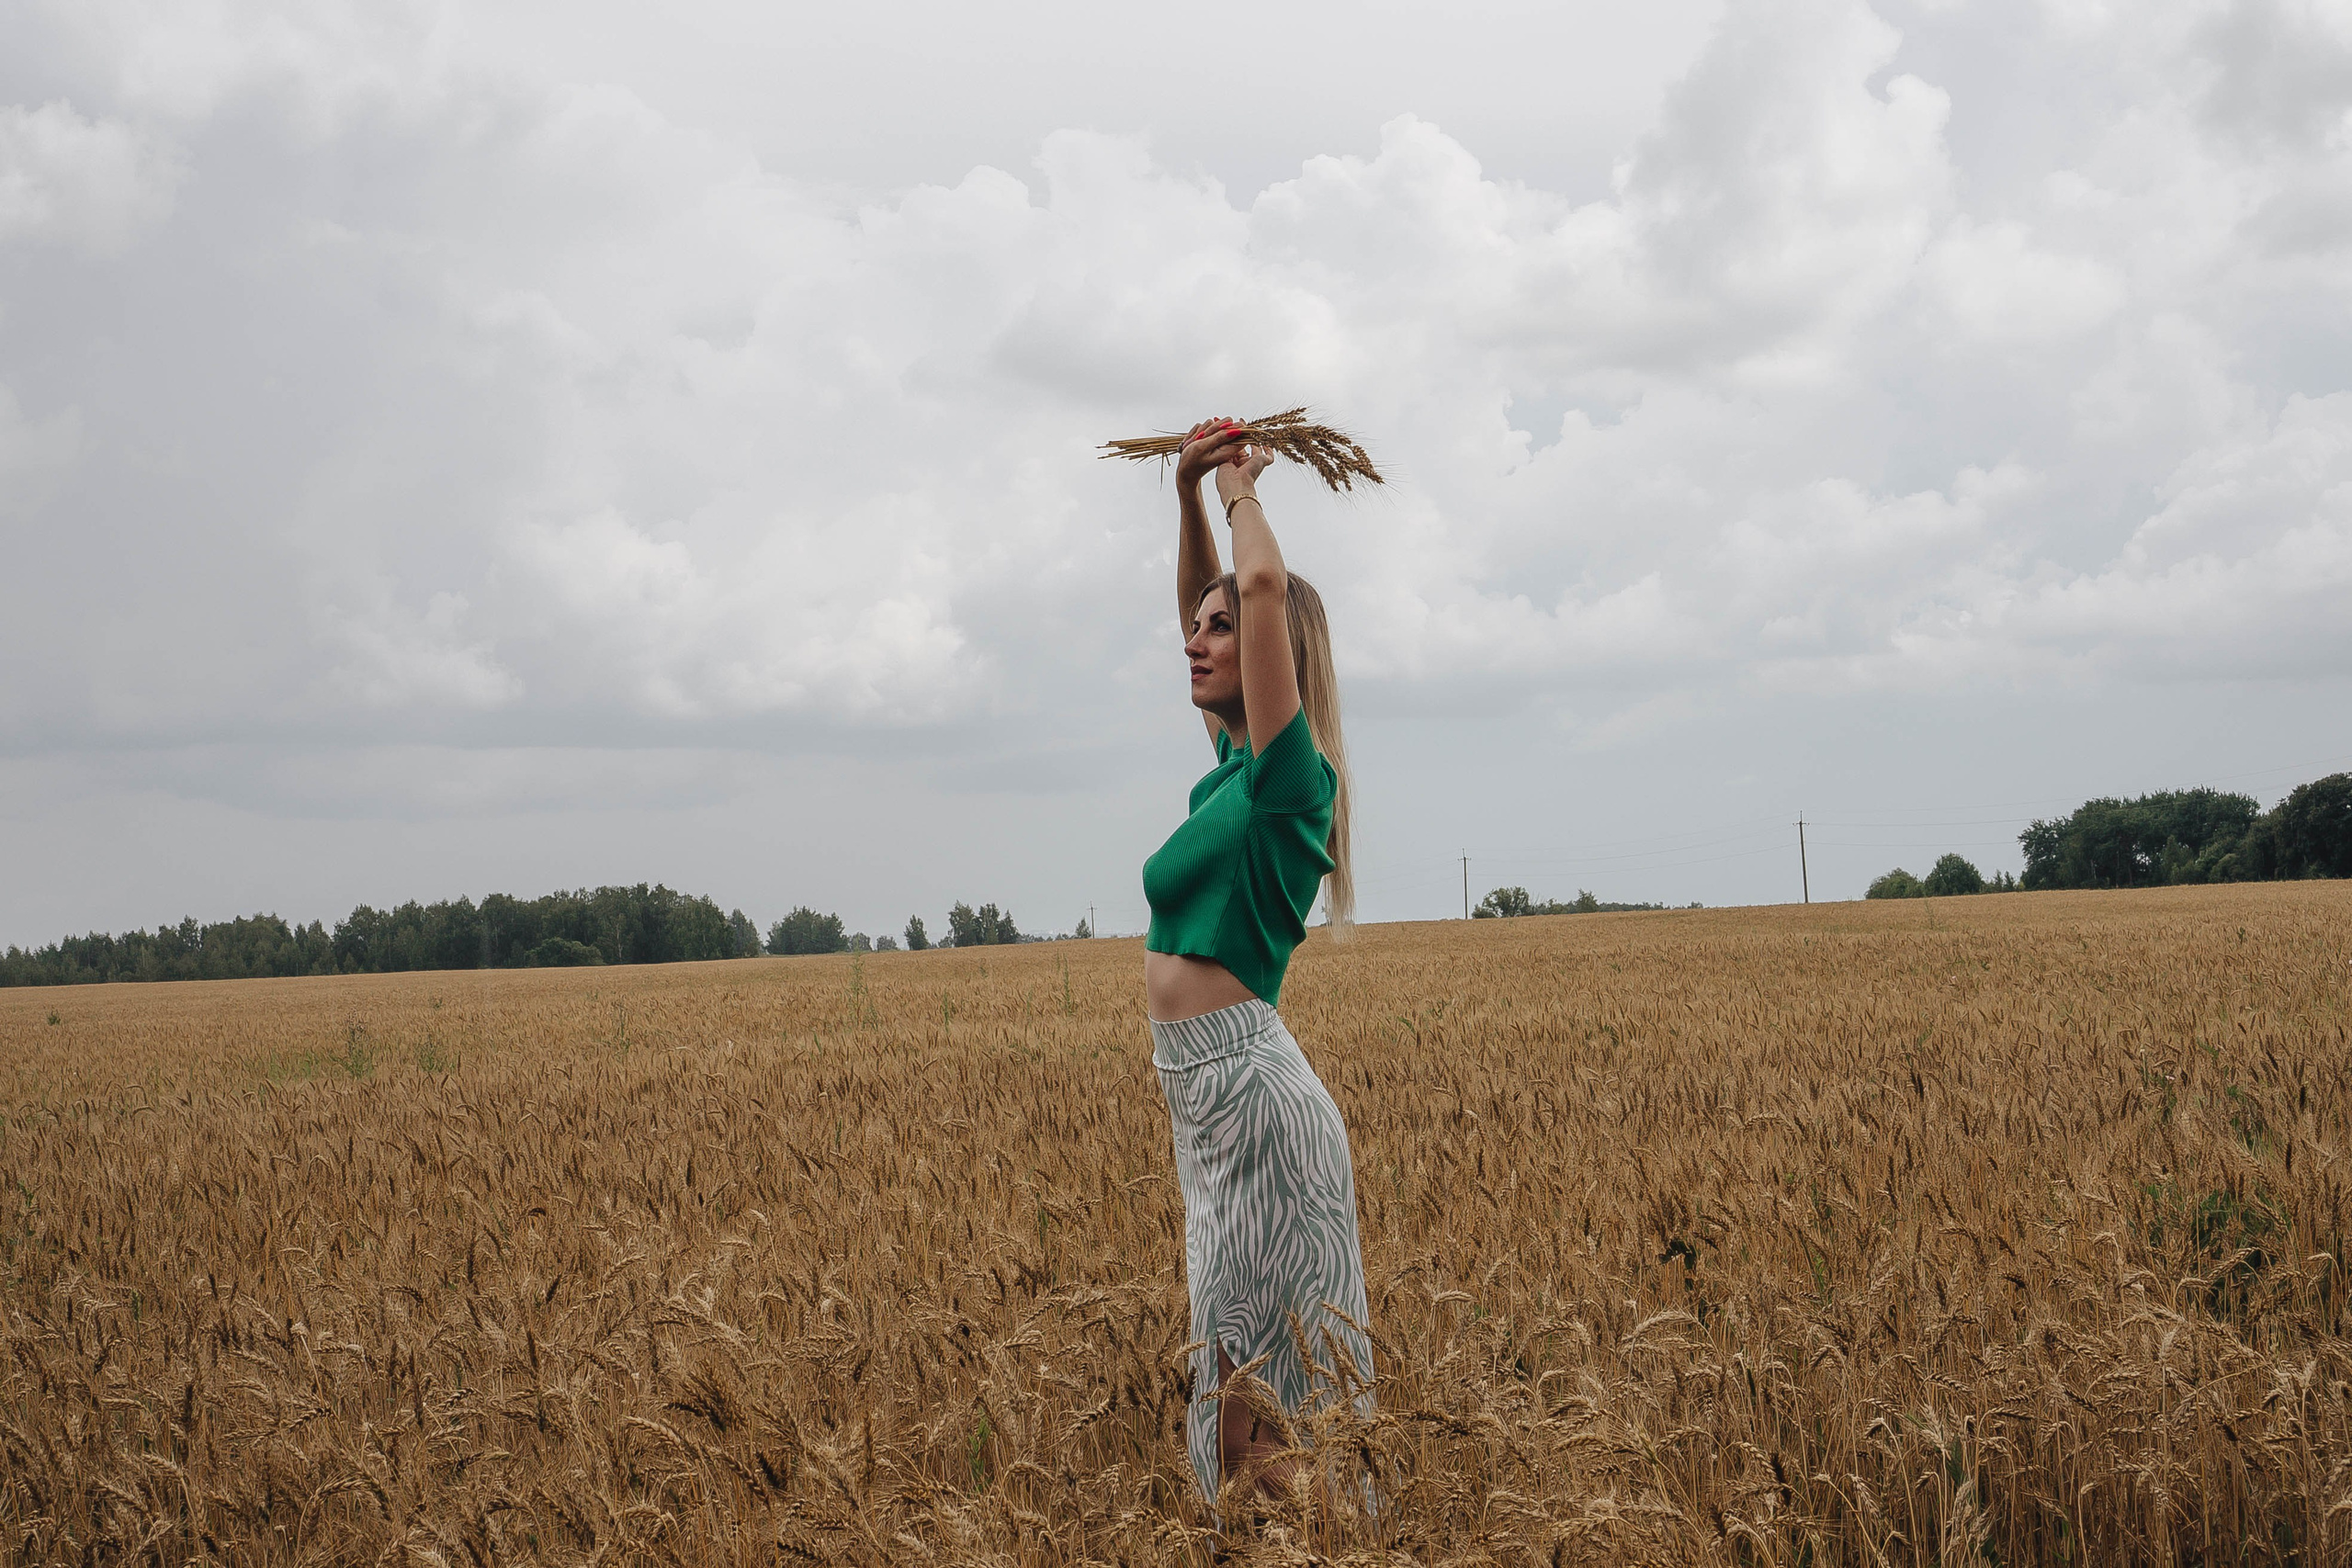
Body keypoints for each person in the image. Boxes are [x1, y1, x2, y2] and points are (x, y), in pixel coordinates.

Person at [1141, 416, 1374, 1509]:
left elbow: (1266, 591)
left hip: (1256, 1107)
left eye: (1218, 630)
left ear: (1276, 656)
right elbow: (1227, 602)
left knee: (1265, 1423)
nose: (1197, 640)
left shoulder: (1290, 784)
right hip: (1207, 1115)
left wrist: (1240, 488)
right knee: (1232, 1406)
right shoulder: (1229, 776)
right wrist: (1184, 499)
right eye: (1196, 627)